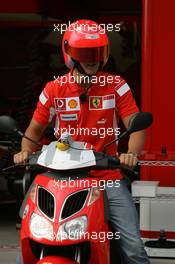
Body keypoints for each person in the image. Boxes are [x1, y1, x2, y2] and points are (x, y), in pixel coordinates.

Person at [14, 19, 150, 264]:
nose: (93, 58)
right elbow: (33, 132)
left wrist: (132, 154)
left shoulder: (116, 86)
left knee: (133, 249)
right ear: (69, 54)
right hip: (58, 178)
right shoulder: (54, 89)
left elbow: (135, 125)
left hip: (107, 178)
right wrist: (24, 151)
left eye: (98, 52)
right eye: (86, 53)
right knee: (28, 242)